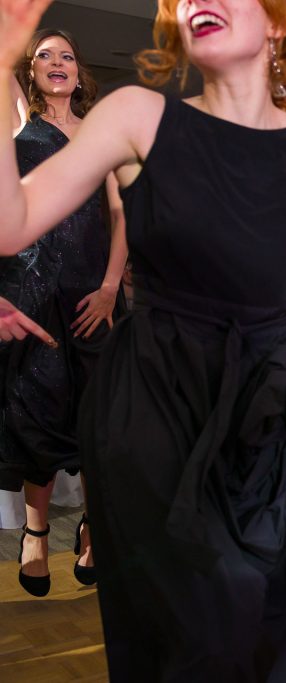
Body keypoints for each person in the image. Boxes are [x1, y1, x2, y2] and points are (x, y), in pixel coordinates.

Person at [0, 0, 286, 678]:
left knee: (281, 641)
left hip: (273, 412)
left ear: (277, 22)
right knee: (181, 643)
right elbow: (13, 224)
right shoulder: (135, 117)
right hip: (158, 409)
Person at [0, 28, 127, 596]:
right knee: (37, 418)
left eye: (67, 56)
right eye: (44, 56)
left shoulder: (103, 134)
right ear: (30, 72)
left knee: (102, 422)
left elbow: (122, 216)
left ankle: (94, 525)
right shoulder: (17, 123)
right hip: (31, 298)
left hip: (94, 297)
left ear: (79, 73)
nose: (57, 62)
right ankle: (35, 534)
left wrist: (109, 288)